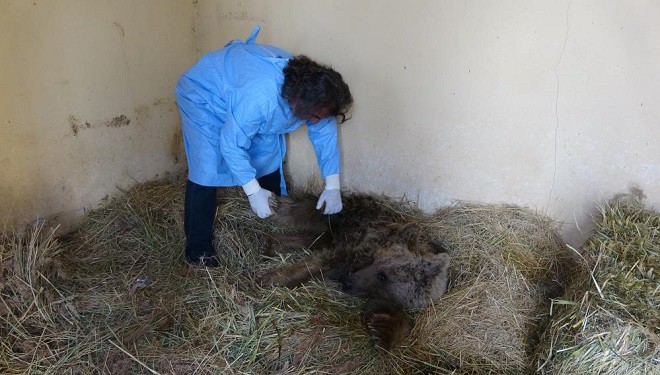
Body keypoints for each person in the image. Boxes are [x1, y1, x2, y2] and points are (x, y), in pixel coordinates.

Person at [175, 26, 353, 266]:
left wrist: (332, 185)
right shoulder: (261, 99)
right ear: (300, 102)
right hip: (205, 97)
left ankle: (273, 221)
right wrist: (252, 191)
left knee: (267, 155)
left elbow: (324, 133)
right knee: (207, 167)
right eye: (314, 116)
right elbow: (231, 144)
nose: (314, 122)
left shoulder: (315, 95)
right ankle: (198, 249)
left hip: (243, 92)